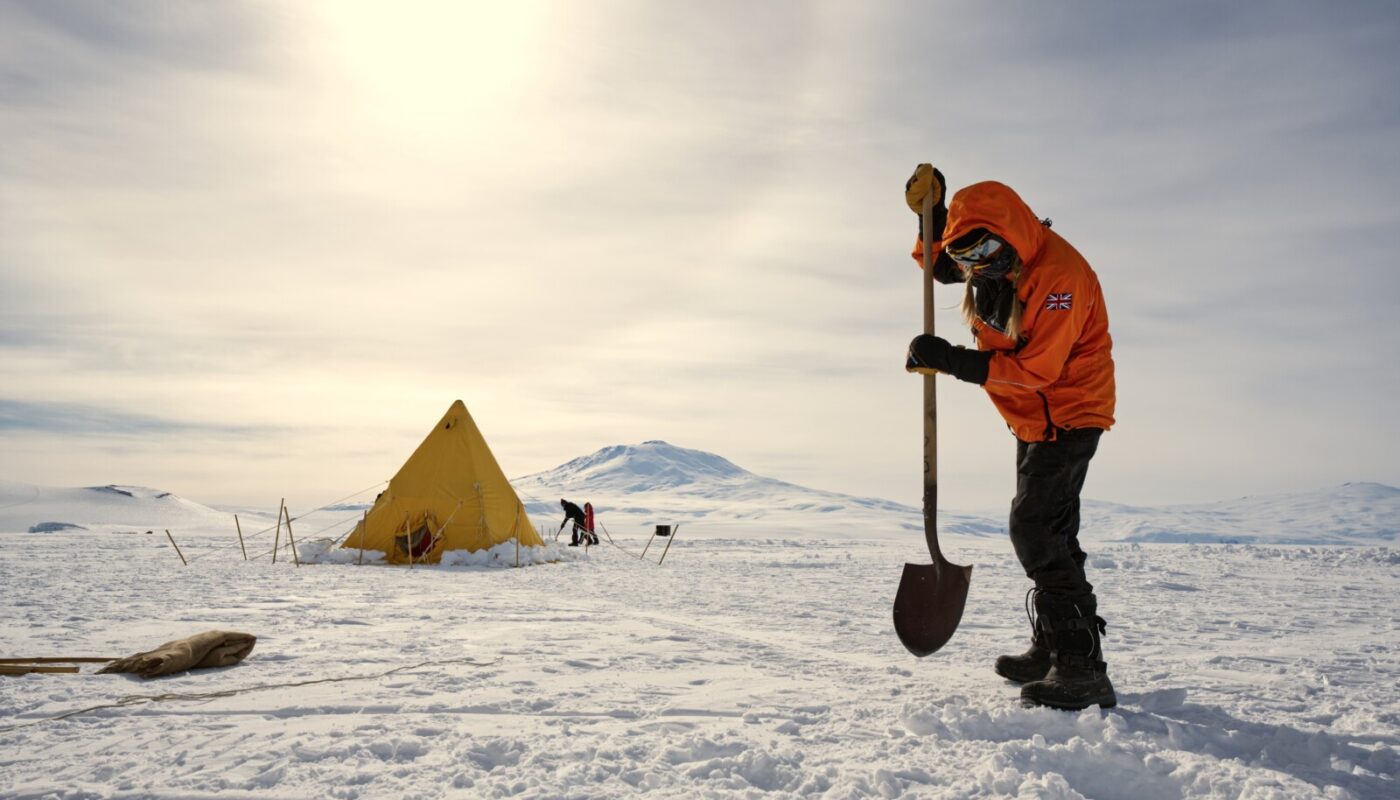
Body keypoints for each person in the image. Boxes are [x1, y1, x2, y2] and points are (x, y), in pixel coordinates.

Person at [903, 165, 1117, 711]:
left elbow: (1037, 370)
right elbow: (940, 266)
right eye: (968, 258)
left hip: (1068, 411)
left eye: (985, 254)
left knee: (1035, 526)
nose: (977, 269)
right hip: (1031, 417)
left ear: (1012, 235)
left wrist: (949, 359)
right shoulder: (994, 259)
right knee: (1054, 530)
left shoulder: (1059, 277)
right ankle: (1055, 648)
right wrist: (931, 224)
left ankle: (1082, 669)